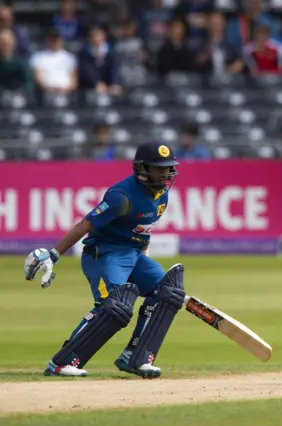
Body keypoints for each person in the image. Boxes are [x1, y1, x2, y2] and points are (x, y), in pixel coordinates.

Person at [24, 141, 185, 379]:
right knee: (115, 307)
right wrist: (55, 254)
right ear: (142, 168)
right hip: (104, 254)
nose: (165, 173)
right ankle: (62, 361)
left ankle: (135, 356)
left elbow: (143, 230)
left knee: (167, 291)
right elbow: (85, 224)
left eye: (168, 167)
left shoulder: (162, 195)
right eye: (158, 167)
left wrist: (144, 260)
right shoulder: (122, 197)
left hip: (134, 254)